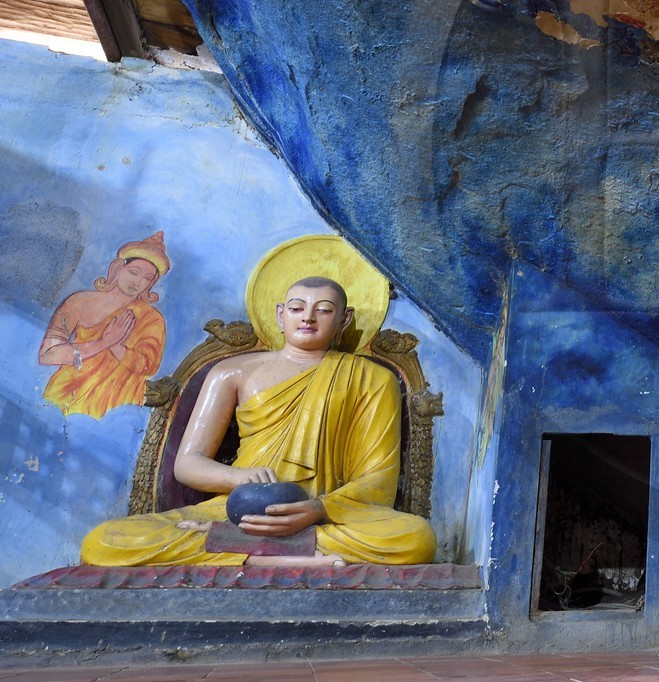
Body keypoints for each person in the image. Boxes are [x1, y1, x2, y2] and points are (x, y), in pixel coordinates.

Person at [80, 277, 435, 568]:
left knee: (416, 539)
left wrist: (315, 510)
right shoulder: (233, 372)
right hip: (238, 512)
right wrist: (240, 478)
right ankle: (289, 556)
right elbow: (187, 465)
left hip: (327, 515)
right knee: (104, 542)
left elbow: (379, 483)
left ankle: (241, 552)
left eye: (323, 310)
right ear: (280, 315)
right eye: (297, 308)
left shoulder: (371, 379)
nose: (307, 318)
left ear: (344, 319)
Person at [38, 233, 170, 419]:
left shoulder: (151, 319)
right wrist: (103, 342)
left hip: (112, 408)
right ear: (118, 269)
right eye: (134, 272)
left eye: (147, 279)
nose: (138, 282)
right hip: (66, 396)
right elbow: (48, 355)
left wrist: (117, 347)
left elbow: (148, 367)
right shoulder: (79, 301)